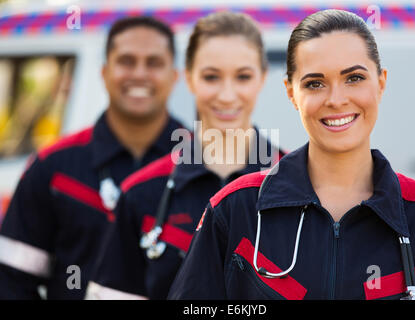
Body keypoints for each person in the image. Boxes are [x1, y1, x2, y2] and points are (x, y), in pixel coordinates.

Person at [168, 9, 415, 300]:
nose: (336, 100)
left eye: (354, 78)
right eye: (315, 83)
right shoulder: (236, 209)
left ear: (381, 82)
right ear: (291, 92)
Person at [85, 11, 285, 300]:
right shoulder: (141, 193)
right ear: (189, 78)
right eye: (211, 77)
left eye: (243, 77)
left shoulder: (301, 183)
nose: (227, 95)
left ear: (262, 78)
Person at [0, 16, 184, 299]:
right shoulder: (53, 169)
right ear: (104, 72)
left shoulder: (202, 164)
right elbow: (11, 281)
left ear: (174, 76)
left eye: (154, 63)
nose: (139, 73)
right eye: (126, 61)